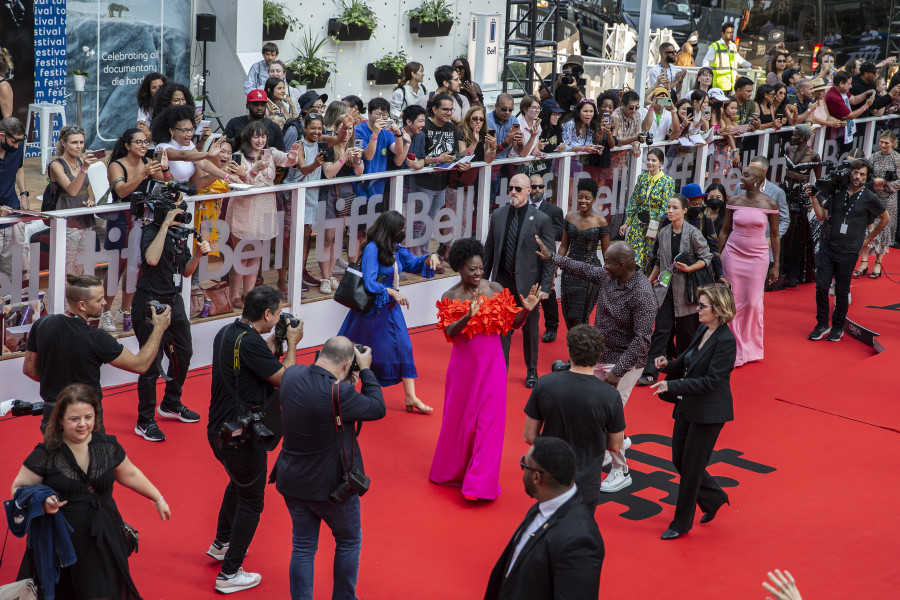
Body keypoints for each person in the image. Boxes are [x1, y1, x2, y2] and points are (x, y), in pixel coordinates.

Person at [10, 384, 171, 599]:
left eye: (88, 416)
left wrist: (157, 498)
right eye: (74, 419)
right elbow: (18, 488)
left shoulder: (107, 445)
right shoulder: (46, 453)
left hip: (105, 537)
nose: (83, 424)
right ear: (60, 419)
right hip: (63, 543)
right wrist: (42, 501)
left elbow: (130, 474)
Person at [536, 239, 656, 493]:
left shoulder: (643, 293)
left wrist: (618, 371)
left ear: (622, 265)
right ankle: (609, 447)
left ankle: (620, 470)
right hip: (599, 357)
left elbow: (642, 339)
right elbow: (583, 269)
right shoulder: (609, 278)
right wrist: (552, 258)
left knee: (606, 416)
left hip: (625, 362)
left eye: (608, 263)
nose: (604, 267)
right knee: (594, 411)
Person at [273, 337, 385, 600]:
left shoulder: (291, 375)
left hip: (293, 480)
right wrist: (366, 370)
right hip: (332, 487)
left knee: (302, 548)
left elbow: (318, 384)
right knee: (348, 542)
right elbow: (377, 408)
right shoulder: (340, 394)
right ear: (348, 364)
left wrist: (347, 378)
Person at [207, 285, 303, 593]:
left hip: (220, 430)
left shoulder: (227, 332)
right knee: (252, 500)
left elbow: (250, 366)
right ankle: (229, 574)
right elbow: (285, 379)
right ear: (267, 314)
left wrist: (273, 342)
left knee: (239, 483)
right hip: (242, 435)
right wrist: (291, 343)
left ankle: (222, 543)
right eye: (277, 313)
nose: (279, 317)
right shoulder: (250, 344)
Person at [431, 239, 540, 500]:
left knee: (489, 424)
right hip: (462, 369)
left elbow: (512, 325)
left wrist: (525, 312)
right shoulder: (450, 296)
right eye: (472, 269)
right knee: (460, 422)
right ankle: (453, 472)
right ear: (459, 268)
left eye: (480, 268)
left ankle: (479, 485)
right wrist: (468, 316)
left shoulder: (496, 288)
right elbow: (450, 332)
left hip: (493, 365)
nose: (478, 273)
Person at [23, 274, 171, 429]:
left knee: (55, 454)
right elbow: (140, 365)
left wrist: (55, 382)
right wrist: (158, 329)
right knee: (95, 453)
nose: (105, 302)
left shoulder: (42, 323)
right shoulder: (97, 338)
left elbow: (29, 369)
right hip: (85, 419)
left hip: (52, 414)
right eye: (99, 299)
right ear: (82, 305)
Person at [650, 284, 736, 540]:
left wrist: (672, 385)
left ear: (719, 310)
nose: (697, 309)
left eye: (702, 305)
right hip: (688, 406)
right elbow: (688, 360)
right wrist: (668, 366)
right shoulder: (703, 329)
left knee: (690, 468)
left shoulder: (726, 341)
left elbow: (711, 382)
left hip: (709, 413)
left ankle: (680, 523)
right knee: (680, 459)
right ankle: (714, 498)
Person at [337, 210, 441, 410]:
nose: (403, 232)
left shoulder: (396, 248)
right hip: (369, 311)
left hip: (389, 310)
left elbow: (413, 263)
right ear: (391, 229)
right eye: (401, 229)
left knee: (404, 347)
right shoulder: (372, 249)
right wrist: (392, 292)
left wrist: (431, 257)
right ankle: (336, 391)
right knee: (353, 351)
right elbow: (369, 281)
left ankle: (410, 397)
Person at [130, 198, 212, 442]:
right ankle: (144, 421)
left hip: (174, 302)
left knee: (183, 355)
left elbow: (185, 272)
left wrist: (197, 255)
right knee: (150, 364)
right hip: (149, 303)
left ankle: (171, 404)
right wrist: (164, 226)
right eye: (175, 215)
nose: (180, 219)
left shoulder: (179, 234)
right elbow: (152, 259)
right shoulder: (150, 231)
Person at [484, 437, 604, 600]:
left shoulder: (579, 541)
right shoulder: (545, 504)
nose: (522, 470)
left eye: (524, 465)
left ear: (536, 478)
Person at [523, 325, 626, 509]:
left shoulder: (545, 384)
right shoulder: (610, 395)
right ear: (599, 354)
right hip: (587, 482)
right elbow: (616, 444)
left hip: (549, 476)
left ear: (570, 350)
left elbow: (530, 436)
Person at [482, 173, 555, 388]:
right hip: (502, 281)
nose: (513, 192)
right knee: (502, 327)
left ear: (529, 191)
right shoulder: (498, 215)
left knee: (531, 328)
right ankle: (501, 369)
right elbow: (489, 250)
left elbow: (549, 256)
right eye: (511, 188)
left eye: (518, 189)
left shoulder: (541, 219)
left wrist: (545, 287)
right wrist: (483, 282)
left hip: (529, 284)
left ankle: (531, 370)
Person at [807, 161, 889, 342]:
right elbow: (821, 216)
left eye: (862, 174)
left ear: (867, 178)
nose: (857, 177)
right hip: (828, 246)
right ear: (850, 173)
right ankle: (821, 324)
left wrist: (868, 238)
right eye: (856, 173)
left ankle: (837, 326)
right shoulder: (839, 192)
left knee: (842, 290)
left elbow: (885, 218)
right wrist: (814, 198)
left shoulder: (869, 197)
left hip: (849, 251)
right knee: (821, 287)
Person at [640, 194, 713, 385]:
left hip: (687, 292)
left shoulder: (693, 233)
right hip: (665, 290)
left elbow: (706, 257)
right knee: (660, 331)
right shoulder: (663, 232)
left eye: (675, 208)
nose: (670, 211)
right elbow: (659, 260)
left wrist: (689, 268)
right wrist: (649, 281)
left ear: (684, 210)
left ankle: (683, 372)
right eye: (669, 207)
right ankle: (651, 371)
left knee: (686, 333)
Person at [101, 127, 169, 332]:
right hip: (121, 220)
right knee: (117, 268)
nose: (143, 145)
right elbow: (121, 190)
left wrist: (164, 169)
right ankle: (105, 312)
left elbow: (165, 185)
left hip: (143, 221)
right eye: (138, 142)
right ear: (128, 145)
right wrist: (141, 175)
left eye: (145, 142)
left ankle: (125, 309)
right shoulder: (116, 165)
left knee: (135, 267)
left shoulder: (148, 163)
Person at [228, 121, 301, 306]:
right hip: (244, 207)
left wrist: (293, 156)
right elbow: (237, 181)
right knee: (241, 254)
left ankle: (249, 295)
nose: (260, 140)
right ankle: (234, 295)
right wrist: (256, 168)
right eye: (255, 136)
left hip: (265, 206)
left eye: (263, 136)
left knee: (255, 254)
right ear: (248, 137)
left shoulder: (271, 152)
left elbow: (288, 161)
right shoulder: (238, 156)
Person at [718, 166, 780, 366]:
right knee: (732, 301)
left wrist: (776, 264)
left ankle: (750, 349)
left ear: (758, 180)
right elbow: (724, 231)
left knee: (753, 302)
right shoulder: (734, 201)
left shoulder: (769, 203)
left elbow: (775, 235)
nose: (741, 178)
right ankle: (731, 349)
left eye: (746, 175)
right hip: (733, 254)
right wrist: (717, 257)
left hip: (757, 257)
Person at [410, 93, 467, 255]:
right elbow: (417, 157)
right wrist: (437, 159)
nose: (449, 113)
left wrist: (460, 160)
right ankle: (415, 255)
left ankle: (424, 252)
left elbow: (454, 152)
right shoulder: (424, 128)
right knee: (419, 221)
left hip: (442, 182)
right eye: (445, 109)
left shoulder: (452, 128)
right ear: (434, 109)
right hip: (423, 182)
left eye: (451, 109)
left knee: (430, 220)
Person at [557, 178, 609, 329]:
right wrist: (554, 268)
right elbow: (564, 246)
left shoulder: (601, 222)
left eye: (587, 198)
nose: (583, 201)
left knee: (581, 316)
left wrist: (608, 276)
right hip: (569, 271)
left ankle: (581, 350)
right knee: (568, 314)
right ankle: (576, 348)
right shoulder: (570, 217)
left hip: (591, 274)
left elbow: (606, 253)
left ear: (594, 199)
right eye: (580, 197)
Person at [47, 125, 98, 275]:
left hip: (85, 219)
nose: (79, 146)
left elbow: (89, 191)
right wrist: (84, 169)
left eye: (81, 142)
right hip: (67, 220)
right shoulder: (56, 165)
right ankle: (63, 299)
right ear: (63, 143)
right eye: (74, 142)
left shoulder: (81, 163)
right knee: (67, 268)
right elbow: (72, 190)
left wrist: (91, 201)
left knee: (82, 267)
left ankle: (76, 298)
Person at [778, 125, 821, 287]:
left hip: (801, 196)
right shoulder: (789, 149)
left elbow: (818, 181)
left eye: (795, 134)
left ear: (802, 138)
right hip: (785, 191)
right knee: (783, 230)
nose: (792, 136)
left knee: (796, 234)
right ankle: (779, 269)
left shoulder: (814, 156)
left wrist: (813, 200)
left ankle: (793, 272)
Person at [620, 147, 676, 273]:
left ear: (661, 163)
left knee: (650, 255)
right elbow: (634, 201)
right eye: (648, 160)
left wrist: (658, 225)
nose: (650, 163)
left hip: (654, 224)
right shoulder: (642, 178)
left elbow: (665, 206)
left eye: (654, 160)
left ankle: (646, 285)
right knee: (633, 254)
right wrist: (627, 222)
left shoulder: (667, 181)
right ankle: (633, 281)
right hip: (638, 221)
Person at [858, 132, 900, 278]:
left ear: (894, 143)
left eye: (886, 143)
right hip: (872, 198)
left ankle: (877, 262)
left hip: (888, 199)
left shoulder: (897, 159)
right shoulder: (874, 156)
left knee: (885, 230)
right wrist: (872, 183)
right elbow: (865, 174)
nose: (882, 145)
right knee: (867, 228)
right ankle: (863, 262)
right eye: (881, 142)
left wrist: (884, 184)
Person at [529, 174, 564, 342]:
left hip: (546, 258)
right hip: (526, 257)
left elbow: (560, 233)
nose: (537, 190)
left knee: (547, 292)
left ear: (545, 189)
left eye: (540, 187)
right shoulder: (521, 206)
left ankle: (552, 327)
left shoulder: (554, 211)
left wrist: (541, 230)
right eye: (534, 186)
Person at [0, 117, 29, 285]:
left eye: (20, 141)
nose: (17, 146)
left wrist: (24, 193)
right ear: (1, 135)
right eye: (14, 141)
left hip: (12, 216)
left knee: (16, 273)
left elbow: (19, 168)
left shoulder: (16, 149)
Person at [823, 72, 874, 153]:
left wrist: (865, 93)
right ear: (841, 84)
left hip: (844, 132)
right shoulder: (834, 97)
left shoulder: (841, 91)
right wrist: (866, 105)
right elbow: (851, 115)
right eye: (849, 84)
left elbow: (853, 100)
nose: (851, 86)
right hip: (835, 134)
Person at [702, 23, 752, 94]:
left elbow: (739, 59)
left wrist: (751, 65)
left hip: (731, 85)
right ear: (722, 34)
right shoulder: (716, 46)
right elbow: (707, 60)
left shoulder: (733, 46)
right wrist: (704, 74)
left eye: (732, 32)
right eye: (728, 32)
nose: (731, 34)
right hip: (718, 85)